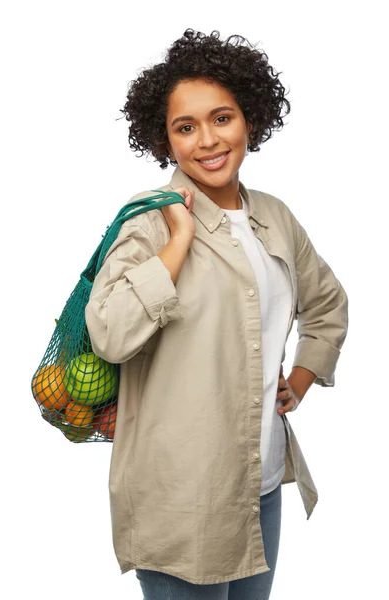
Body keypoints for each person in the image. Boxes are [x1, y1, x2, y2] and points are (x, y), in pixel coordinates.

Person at [85, 28, 348, 599]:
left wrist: (300, 379)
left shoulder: (275, 216)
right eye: (186, 127)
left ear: (249, 119)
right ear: (167, 139)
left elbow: (327, 304)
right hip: (182, 493)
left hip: (261, 480)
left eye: (221, 118)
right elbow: (107, 332)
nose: (207, 140)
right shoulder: (148, 220)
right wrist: (177, 246)